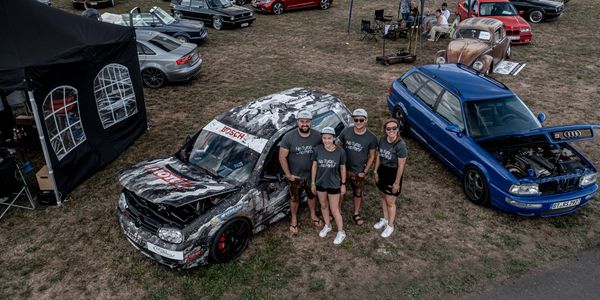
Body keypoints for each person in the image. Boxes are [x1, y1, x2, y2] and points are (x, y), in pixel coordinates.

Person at [279, 110, 323, 233]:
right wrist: (288, 175)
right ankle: (293, 219)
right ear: (297, 122)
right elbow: (282, 156)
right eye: (302, 121)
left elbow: (324, 151)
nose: (305, 124)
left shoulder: (317, 136)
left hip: (311, 176)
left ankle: (313, 215)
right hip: (295, 176)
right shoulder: (288, 137)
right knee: (294, 198)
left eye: (307, 121)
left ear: (311, 123)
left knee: (312, 195)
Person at [337, 108, 377, 226]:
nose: (358, 122)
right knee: (340, 191)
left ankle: (356, 213)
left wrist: (364, 171)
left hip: (358, 171)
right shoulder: (346, 131)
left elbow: (372, 156)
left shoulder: (371, 137)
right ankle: (337, 211)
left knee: (357, 192)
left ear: (366, 120)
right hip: (344, 168)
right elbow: (338, 145)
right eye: (356, 120)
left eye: (361, 120)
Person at [311, 127, 347, 245]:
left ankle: (341, 232)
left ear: (334, 138)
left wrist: (343, 184)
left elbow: (342, 168)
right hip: (321, 183)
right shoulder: (317, 149)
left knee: (335, 209)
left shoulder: (340, 151)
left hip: (334, 184)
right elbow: (314, 166)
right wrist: (313, 182)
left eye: (329, 138)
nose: (327, 141)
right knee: (323, 205)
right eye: (324, 138)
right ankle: (328, 225)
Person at [373, 119, 408, 238]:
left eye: (394, 128)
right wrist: (375, 170)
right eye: (389, 129)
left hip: (393, 173)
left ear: (398, 129)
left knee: (390, 201)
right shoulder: (382, 140)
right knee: (383, 195)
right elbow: (378, 155)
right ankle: (385, 218)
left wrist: (397, 182)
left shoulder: (401, 145)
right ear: (385, 130)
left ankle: (390, 225)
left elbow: (401, 165)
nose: (391, 130)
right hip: (382, 170)